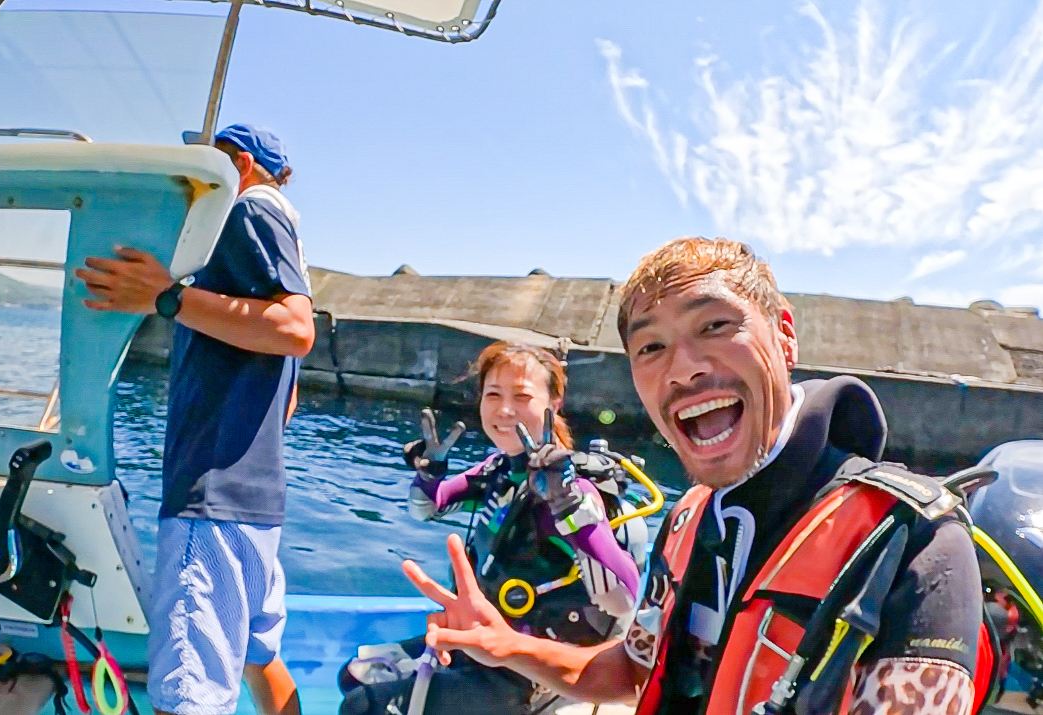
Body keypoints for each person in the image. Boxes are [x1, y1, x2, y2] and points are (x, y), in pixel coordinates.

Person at [402, 238, 988, 715]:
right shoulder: (686, 520)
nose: (683, 368)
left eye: (713, 326)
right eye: (651, 346)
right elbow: (634, 669)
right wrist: (507, 646)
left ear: (784, 336)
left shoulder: (916, 542)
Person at [76, 124, 313, 715]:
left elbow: (293, 330)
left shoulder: (248, 211)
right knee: (259, 657)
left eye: (201, 166)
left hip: (211, 505)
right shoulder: (276, 241)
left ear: (237, 164)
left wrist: (166, 298)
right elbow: (286, 393)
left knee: (188, 698)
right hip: (255, 505)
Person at [339, 342, 649, 715]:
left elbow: (622, 599)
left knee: (362, 707)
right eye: (493, 395)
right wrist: (429, 473)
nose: (504, 410)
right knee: (354, 676)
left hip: (528, 672)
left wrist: (566, 504)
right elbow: (426, 509)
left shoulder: (574, 489)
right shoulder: (498, 471)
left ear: (554, 403)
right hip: (478, 643)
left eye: (522, 396)